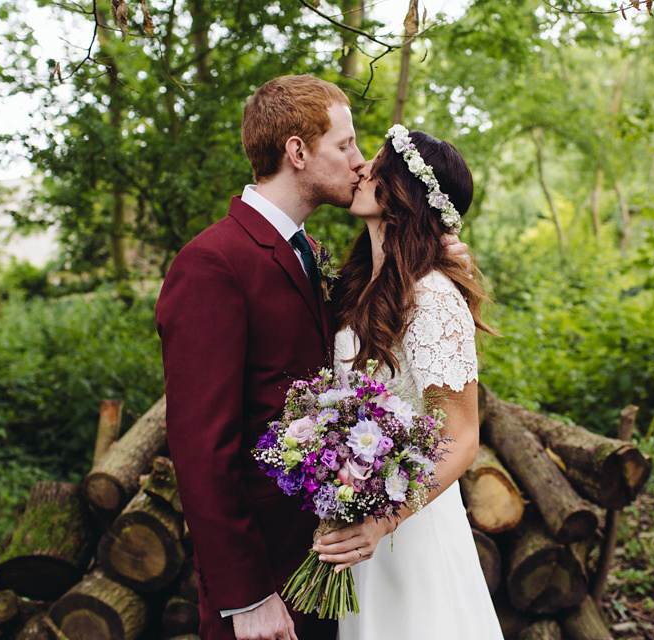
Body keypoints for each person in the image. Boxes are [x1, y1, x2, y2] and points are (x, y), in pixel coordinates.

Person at [155, 78, 467, 640]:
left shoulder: (321, 261)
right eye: (346, 145)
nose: (359, 162)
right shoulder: (213, 263)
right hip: (264, 579)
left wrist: (433, 255)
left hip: (333, 562)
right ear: (297, 152)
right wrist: (245, 596)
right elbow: (201, 448)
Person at [311, 125, 505, 639]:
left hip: (407, 530)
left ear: (402, 192)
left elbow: (461, 439)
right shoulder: (359, 287)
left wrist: (381, 521)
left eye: (376, 163)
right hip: (360, 522)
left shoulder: (433, 297)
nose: (361, 168)